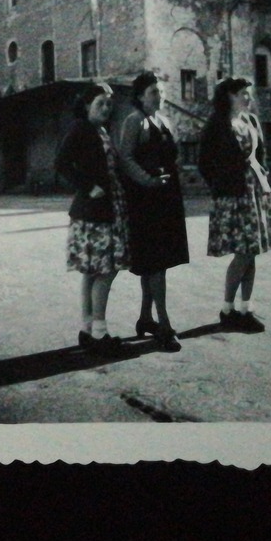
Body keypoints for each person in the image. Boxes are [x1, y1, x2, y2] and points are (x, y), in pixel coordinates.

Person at [116, 71, 189, 351]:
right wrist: (147, 180)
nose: (159, 96)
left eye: (161, 91)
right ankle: (164, 325)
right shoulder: (134, 121)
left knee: (157, 263)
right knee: (155, 264)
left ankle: (146, 318)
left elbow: (173, 156)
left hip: (166, 198)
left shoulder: (164, 121)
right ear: (140, 96)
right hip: (146, 200)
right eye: (153, 92)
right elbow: (125, 157)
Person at [199, 76, 271, 332]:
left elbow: (261, 153)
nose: (248, 97)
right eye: (243, 93)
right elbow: (204, 162)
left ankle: (246, 309)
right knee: (243, 252)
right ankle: (227, 309)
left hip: (254, 191)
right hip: (232, 196)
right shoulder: (217, 123)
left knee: (251, 250)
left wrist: (261, 175)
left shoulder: (250, 121)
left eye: (248, 92)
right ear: (229, 96)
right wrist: (221, 187)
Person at [58, 81, 128, 354]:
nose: (106, 108)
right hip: (94, 211)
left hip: (106, 208)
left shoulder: (101, 131)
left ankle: (87, 330)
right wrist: (88, 186)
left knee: (91, 272)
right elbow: (61, 163)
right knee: (105, 270)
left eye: (109, 104)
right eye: (100, 103)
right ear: (86, 105)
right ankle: (99, 333)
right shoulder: (80, 129)